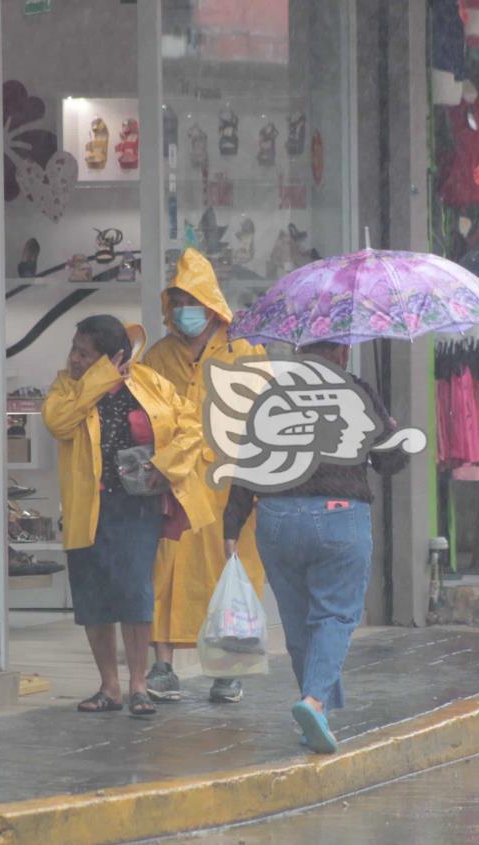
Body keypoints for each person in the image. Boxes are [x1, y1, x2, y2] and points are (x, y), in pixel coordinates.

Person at [222, 341, 409, 754]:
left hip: (276, 518)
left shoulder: (271, 397)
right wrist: (391, 430)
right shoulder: (356, 391)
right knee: (335, 615)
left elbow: (246, 462)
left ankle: (314, 719)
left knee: (297, 622)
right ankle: (314, 701)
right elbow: (390, 462)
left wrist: (231, 524)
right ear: (341, 355)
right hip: (339, 516)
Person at [42, 315, 213, 715]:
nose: (75, 358)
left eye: (85, 353)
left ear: (113, 355)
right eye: (75, 349)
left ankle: (139, 684)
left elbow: (190, 427)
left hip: (137, 505)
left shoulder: (150, 384)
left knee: (135, 592)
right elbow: (58, 422)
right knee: (94, 595)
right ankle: (109, 687)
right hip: (88, 507)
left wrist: (165, 465)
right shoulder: (67, 387)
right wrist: (96, 380)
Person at [142, 248, 266, 704]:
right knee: (165, 573)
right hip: (174, 486)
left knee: (228, 575)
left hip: (227, 488)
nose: (181, 311)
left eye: (188, 300)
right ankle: (162, 666)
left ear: (211, 303)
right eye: (174, 301)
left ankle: (228, 671)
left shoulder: (246, 352)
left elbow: (264, 422)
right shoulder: (159, 357)